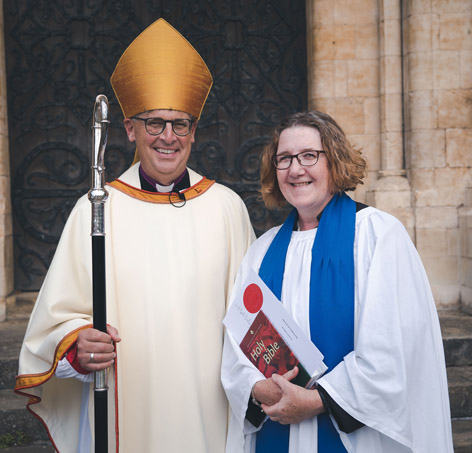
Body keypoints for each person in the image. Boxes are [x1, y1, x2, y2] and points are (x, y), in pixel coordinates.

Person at [14, 19, 255, 452]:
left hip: (210, 416)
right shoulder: (97, 208)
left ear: (194, 132)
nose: (168, 137)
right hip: (124, 411)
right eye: (154, 123)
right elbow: (55, 321)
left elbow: (253, 318)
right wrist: (76, 347)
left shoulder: (226, 208)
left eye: (180, 124)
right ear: (129, 129)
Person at [221, 110, 453, 452]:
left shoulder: (377, 235)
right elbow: (237, 345)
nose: (295, 169)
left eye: (309, 156)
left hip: (355, 436)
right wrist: (259, 388)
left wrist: (315, 401)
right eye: (284, 159)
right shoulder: (263, 250)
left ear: (335, 160)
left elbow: (391, 350)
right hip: (277, 431)